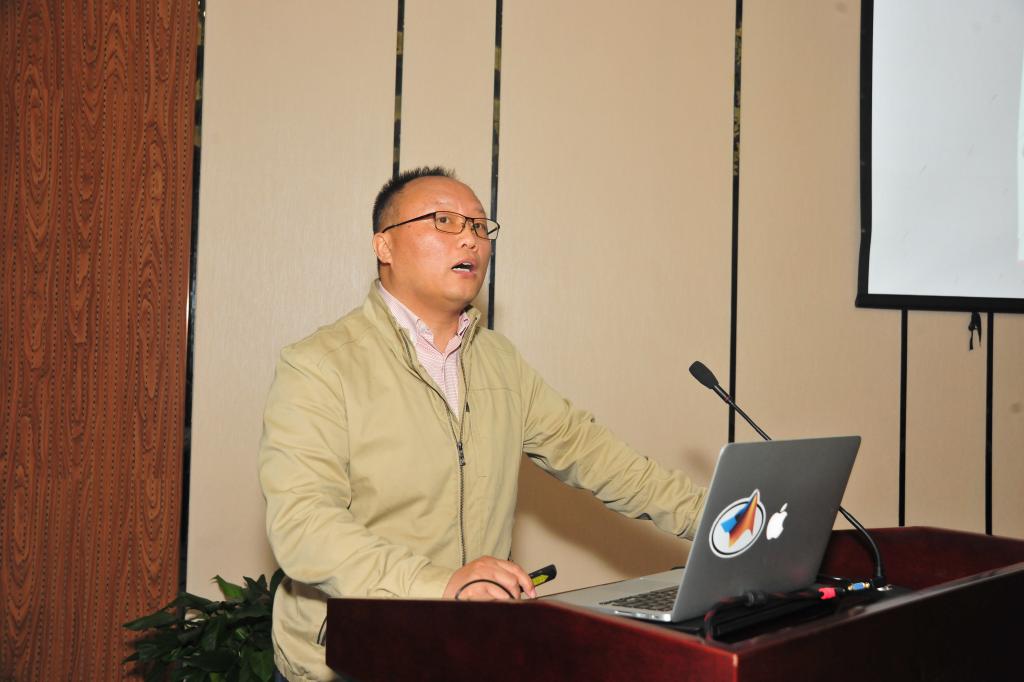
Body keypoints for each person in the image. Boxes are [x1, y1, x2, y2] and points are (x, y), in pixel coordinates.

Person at [258, 167, 707, 681]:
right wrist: (443, 586)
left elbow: (597, 456)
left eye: (478, 224)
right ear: (384, 245)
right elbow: (304, 527)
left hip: (471, 648)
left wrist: (720, 521)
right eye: (443, 221)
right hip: (352, 657)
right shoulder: (319, 366)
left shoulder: (499, 361)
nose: (470, 237)